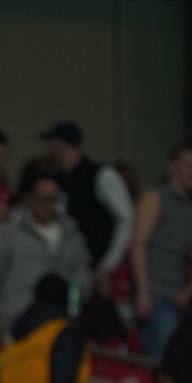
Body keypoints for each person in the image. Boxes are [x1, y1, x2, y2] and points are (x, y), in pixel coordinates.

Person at [0, 171, 92, 326]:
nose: (47, 204)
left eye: (52, 199)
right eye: (42, 198)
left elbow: (81, 275)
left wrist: (75, 304)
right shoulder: (7, 232)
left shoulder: (72, 237)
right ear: (30, 198)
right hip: (13, 317)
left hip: (57, 323)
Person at [130, 144, 192, 360]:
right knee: (168, 357)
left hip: (178, 299)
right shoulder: (155, 198)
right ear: (172, 168)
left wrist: (188, 291)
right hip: (154, 295)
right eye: (189, 166)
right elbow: (138, 244)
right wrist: (143, 292)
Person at [41, 121, 134, 292]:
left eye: (50, 142)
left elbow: (126, 219)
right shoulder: (58, 180)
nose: (46, 148)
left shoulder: (102, 175)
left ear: (62, 144)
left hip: (97, 272)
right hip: (65, 271)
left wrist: (109, 263)